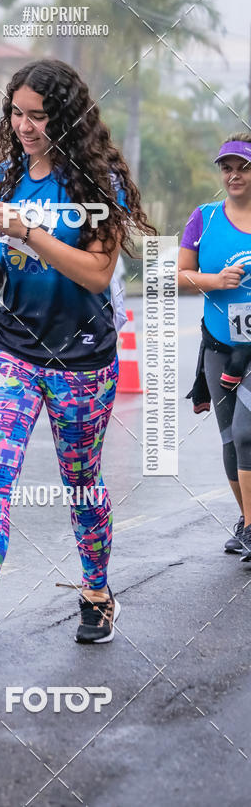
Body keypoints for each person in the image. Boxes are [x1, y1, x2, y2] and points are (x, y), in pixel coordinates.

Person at [0, 58, 156, 668]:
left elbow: (96, 273)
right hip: (13, 350)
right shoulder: (1, 179)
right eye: (17, 113)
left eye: (39, 116)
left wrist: (26, 232)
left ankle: (97, 591)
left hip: (82, 360)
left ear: (66, 118)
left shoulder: (98, 185)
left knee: (81, 482)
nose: (25, 126)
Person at [179, 133, 251, 562]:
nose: (234, 175)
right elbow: (180, 275)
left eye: (243, 167)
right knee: (229, 438)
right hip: (219, 345)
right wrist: (216, 281)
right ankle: (246, 520)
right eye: (227, 168)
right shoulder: (204, 218)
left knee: (246, 432)